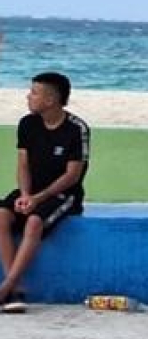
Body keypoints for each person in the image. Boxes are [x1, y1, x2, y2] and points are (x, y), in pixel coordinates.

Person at [0, 72, 90, 313]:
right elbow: (22, 164)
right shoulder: (27, 124)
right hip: (31, 191)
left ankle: (5, 287)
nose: (28, 97)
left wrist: (38, 199)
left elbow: (72, 175)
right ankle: (15, 288)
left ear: (50, 100)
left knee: (33, 222)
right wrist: (25, 194)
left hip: (63, 194)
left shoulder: (76, 129)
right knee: (2, 216)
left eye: (34, 93)